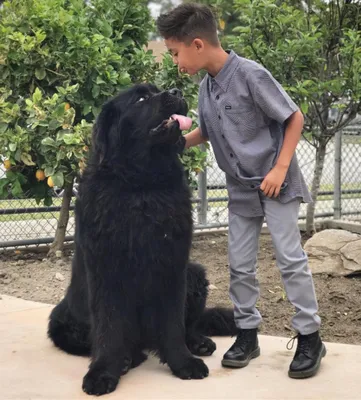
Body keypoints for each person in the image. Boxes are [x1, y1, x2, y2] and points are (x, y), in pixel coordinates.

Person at [156, 3, 326, 379]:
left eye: (174, 52)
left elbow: (293, 116)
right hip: (242, 191)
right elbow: (208, 130)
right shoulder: (206, 87)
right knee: (240, 265)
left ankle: (310, 337)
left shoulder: (251, 75)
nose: (174, 61)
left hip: (275, 184)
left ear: (197, 44)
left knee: (289, 259)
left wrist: (280, 168)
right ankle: (247, 334)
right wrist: (178, 142)